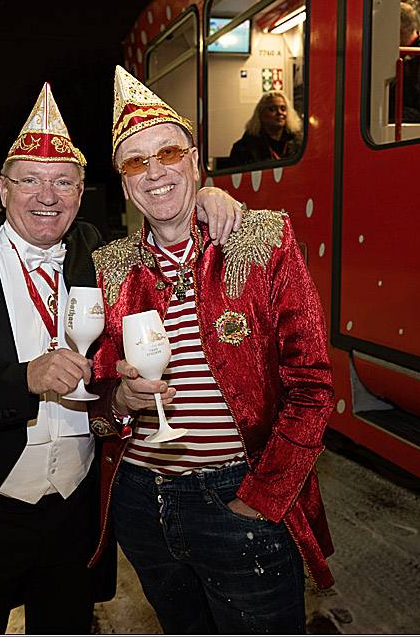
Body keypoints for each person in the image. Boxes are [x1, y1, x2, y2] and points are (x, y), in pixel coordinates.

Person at [0, 81, 243, 634]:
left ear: (80, 192)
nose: (47, 197)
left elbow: (166, 220)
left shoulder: (103, 256)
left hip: (77, 514)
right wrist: (22, 380)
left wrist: (208, 199)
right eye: (30, 180)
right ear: (2, 189)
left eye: (63, 182)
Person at [83, 66, 335, 634]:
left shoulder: (261, 241)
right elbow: (95, 394)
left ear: (195, 163)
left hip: (237, 496)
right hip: (142, 502)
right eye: (135, 162)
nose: (155, 172)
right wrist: (118, 399)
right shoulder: (110, 269)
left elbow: (312, 384)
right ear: (124, 184)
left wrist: (263, 496)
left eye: (168, 153)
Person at [226, 90, 303, 166]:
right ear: (261, 114)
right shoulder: (243, 148)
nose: (280, 112)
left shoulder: (299, 143)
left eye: (283, 109)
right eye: (272, 109)